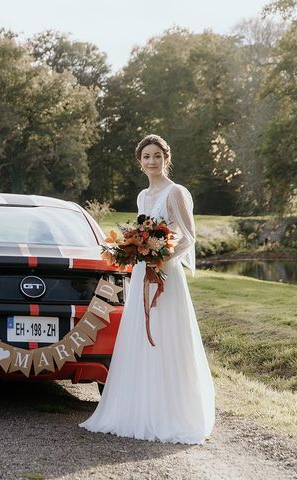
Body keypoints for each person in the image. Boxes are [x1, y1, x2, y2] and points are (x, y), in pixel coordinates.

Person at [79, 134, 215, 444]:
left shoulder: (176, 193)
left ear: (166, 158)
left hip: (166, 275)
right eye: (146, 156)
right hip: (142, 273)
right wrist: (137, 252)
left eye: (156, 155)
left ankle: (172, 412)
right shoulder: (143, 196)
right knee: (140, 336)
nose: (151, 161)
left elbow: (188, 237)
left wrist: (159, 258)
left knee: (167, 336)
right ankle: (137, 408)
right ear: (140, 162)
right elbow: (143, 232)